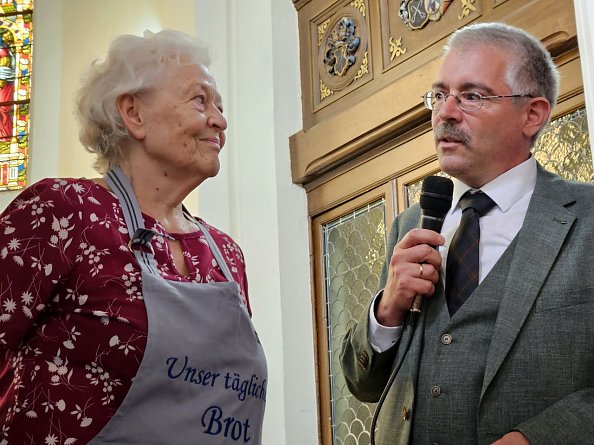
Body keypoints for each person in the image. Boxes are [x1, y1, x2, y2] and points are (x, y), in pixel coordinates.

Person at [0, 29, 267, 444]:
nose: (220, 119)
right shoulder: (63, 211)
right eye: (200, 100)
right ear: (134, 114)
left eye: (219, 105)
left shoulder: (225, 255)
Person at [340, 22, 594, 445]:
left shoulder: (587, 218)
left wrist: (537, 439)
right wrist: (387, 310)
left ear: (533, 114)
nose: (445, 113)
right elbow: (362, 384)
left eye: (472, 96)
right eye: (440, 95)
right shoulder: (412, 224)